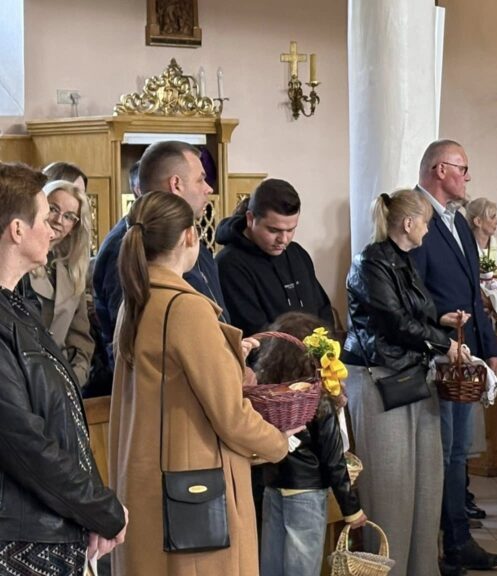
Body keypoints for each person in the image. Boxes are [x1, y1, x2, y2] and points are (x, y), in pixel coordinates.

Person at [108, 191, 295, 576]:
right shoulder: (185, 307)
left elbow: (170, 385)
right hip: (193, 494)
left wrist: (227, 356)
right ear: (189, 236)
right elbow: (231, 416)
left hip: (146, 484)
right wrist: (279, 441)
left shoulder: (137, 300)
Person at [0, 163, 127, 573]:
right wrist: (101, 508)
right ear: (17, 230)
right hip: (20, 543)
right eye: (44, 217)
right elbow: (24, 442)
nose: (53, 229)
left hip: (51, 530)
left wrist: (91, 511)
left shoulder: (19, 307)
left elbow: (62, 422)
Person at [345, 189, 473, 576]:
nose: (428, 231)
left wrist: (441, 321)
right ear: (408, 223)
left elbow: (412, 313)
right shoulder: (369, 262)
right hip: (380, 378)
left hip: (413, 375)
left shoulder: (403, 261)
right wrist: (444, 344)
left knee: (425, 485)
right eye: (426, 224)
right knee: (391, 490)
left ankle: (422, 569)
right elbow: (394, 322)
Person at [408, 140, 497, 572]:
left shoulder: (459, 224)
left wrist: (489, 347)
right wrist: (440, 329)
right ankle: (445, 545)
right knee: (442, 454)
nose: (468, 177)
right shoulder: (415, 217)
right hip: (438, 355)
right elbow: (410, 292)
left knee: (458, 453)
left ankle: (458, 541)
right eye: (462, 168)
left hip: (467, 355)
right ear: (439, 170)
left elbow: (474, 293)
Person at [93, 140, 229, 392]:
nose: (209, 188)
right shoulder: (130, 244)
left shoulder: (187, 236)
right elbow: (138, 347)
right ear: (176, 184)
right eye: (201, 179)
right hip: (174, 397)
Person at [256, 312, 366, 576]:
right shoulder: (317, 400)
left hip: (272, 486)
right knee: (302, 568)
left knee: (271, 564)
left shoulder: (267, 397)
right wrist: (351, 509)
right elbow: (334, 460)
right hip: (306, 493)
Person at [215, 178, 334, 336]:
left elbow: (323, 310)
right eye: (273, 230)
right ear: (250, 219)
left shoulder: (297, 253)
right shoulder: (229, 264)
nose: (283, 240)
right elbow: (254, 332)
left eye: (290, 230)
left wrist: (327, 344)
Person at [22, 179, 94, 385]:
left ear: (74, 226)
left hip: (63, 381)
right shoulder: (20, 262)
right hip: (24, 381)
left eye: (69, 216)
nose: (59, 220)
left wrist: (75, 377)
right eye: (53, 209)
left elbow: (80, 338)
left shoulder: (73, 270)